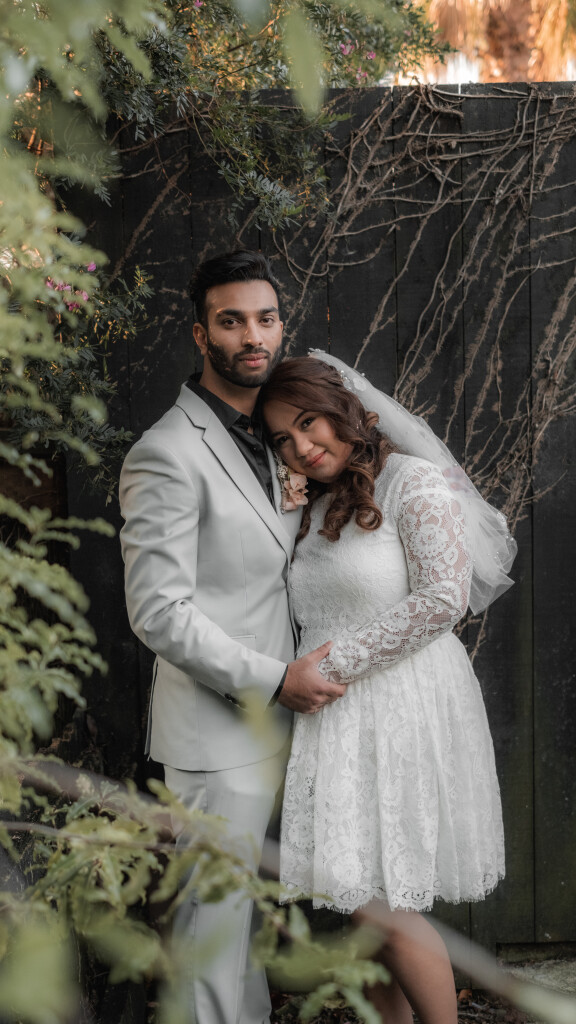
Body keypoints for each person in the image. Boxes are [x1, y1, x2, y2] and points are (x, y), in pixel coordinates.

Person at [118, 253, 346, 1024]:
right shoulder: (167, 452)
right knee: (208, 943)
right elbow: (159, 611)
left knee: (242, 933)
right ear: (200, 334)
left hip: (280, 728)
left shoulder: (279, 433)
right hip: (217, 737)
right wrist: (276, 680)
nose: (253, 336)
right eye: (231, 321)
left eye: (266, 318)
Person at [260, 352, 517, 1024]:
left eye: (309, 422)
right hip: (340, 717)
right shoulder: (311, 503)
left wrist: (332, 666)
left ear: (342, 411)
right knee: (366, 907)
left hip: (401, 705)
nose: (302, 446)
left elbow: (442, 599)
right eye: (283, 438)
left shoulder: (413, 481)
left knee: (383, 907)